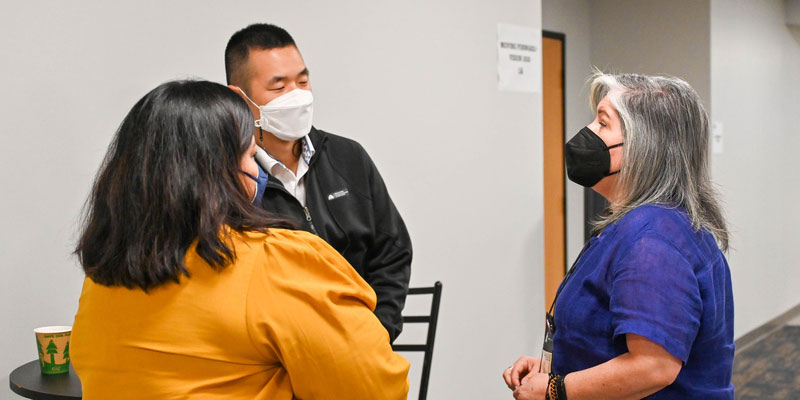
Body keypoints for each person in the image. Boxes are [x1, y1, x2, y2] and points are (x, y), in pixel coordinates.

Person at [70, 80, 410, 399]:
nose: (258, 173)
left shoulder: (103, 277)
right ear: (214, 174)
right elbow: (376, 387)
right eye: (249, 156)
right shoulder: (274, 263)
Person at [503, 72, 734, 399]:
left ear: (645, 145)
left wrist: (556, 390)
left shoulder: (654, 242)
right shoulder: (641, 224)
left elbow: (652, 367)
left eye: (603, 123)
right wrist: (554, 368)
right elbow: (611, 341)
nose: (588, 134)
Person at [224, 24, 413, 343]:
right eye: (278, 86)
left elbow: (392, 250)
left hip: (361, 344)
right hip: (279, 358)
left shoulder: (347, 156)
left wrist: (377, 333)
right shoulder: (234, 176)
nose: (297, 96)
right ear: (240, 98)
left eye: (302, 80)